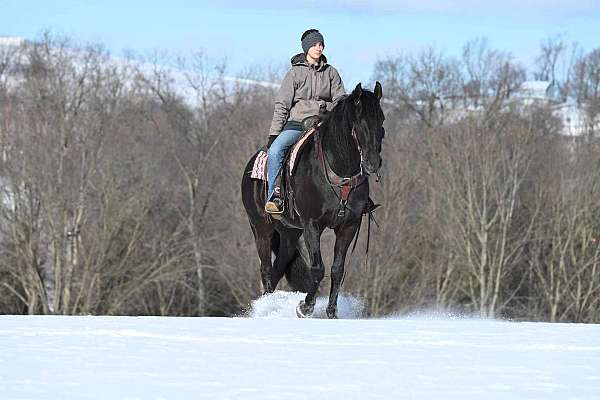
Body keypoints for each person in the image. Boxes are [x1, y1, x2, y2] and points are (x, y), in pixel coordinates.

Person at [265, 29, 346, 216]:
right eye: (315, 44)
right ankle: (275, 195)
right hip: (298, 124)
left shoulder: (331, 73)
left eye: (321, 44)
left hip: (325, 123)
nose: (319, 47)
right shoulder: (294, 74)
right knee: (276, 151)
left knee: (352, 145)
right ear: (307, 47)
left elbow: (341, 99)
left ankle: (357, 196)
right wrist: (274, 134)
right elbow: (282, 105)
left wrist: (331, 109)